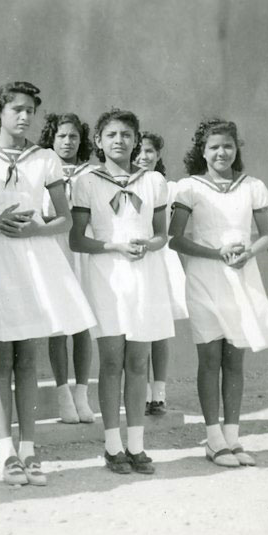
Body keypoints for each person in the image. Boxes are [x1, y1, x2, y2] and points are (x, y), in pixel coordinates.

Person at [0, 81, 96, 486]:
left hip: (36, 261)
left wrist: (37, 229)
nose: (24, 116)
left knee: (29, 358)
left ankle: (30, 450)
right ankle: (5, 453)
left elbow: (65, 220)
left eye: (30, 111)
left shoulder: (46, 158)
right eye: (16, 109)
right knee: (0, 359)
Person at [169, 118, 268, 468]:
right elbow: (176, 238)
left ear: (237, 149)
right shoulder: (189, 188)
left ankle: (233, 437)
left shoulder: (253, 187)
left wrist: (248, 252)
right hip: (204, 279)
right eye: (214, 146)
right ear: (202, 151)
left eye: (228, 146)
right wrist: (216, 254)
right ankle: (213, 438)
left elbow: (267, 235)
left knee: (235, 360)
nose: (222, 152)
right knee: (210, 359)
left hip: (241, 278)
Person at [70, 109, 173, 474]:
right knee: (112, 361)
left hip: (143, 275)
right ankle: (112, 445)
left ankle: (137, 445)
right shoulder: (87, 182)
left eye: (126, 135)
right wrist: (114, 247)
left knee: (138, 361)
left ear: (136, 139)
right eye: (111, 134)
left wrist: (148, 243)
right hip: (107, 275)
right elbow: (77, 239)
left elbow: (163, 233)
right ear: (98, 141)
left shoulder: (154, 181)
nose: (119, 141)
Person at [38, 112, 97, 425]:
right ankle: (63, 395)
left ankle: (81, 394)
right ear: (51, 139)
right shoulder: (41, 170)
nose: (68, 142)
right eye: (61, 136)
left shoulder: (91, 174)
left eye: (73, 136)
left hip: (81, 250)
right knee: (59, 325)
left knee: (83, 324)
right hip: (54, 250)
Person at [134, 132, 189, 415]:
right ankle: (141, 392)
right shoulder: (125, 186)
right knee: (139, 328)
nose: (144, 157)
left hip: (162, 259)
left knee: (160, 331)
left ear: (158, 155)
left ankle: (159, 393)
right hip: (136, 258)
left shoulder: (171, 187)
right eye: (139, 152)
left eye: (150, 151)